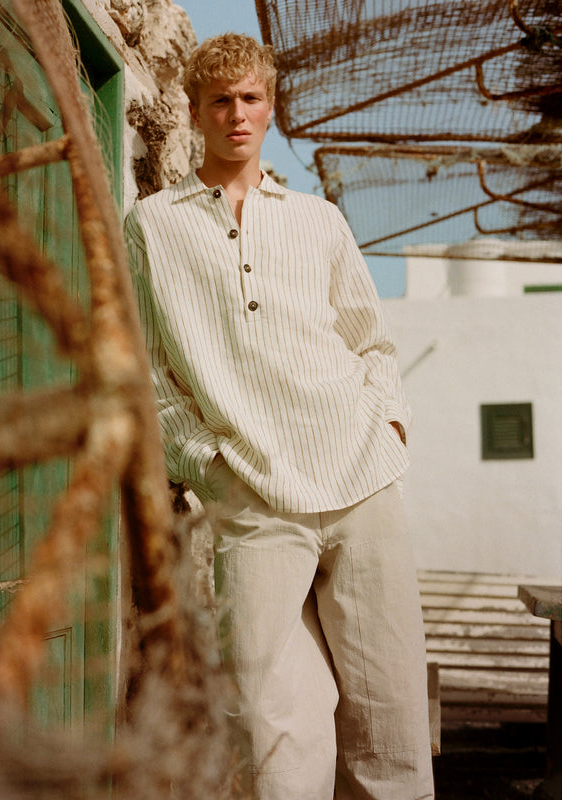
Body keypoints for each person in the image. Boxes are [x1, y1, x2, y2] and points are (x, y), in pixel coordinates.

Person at [125, 32, 434, 800]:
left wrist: (389, 427)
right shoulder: (153, 225)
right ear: (194, 110)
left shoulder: (319, 219)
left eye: (251, 99)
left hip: (361, 481)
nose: (237, 115)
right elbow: (148, 376)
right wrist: (208, 465)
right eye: (220, 101)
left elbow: (372, 342)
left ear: (270, 107)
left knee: (391, 716)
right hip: (253, 494)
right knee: (270, 725)